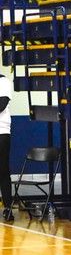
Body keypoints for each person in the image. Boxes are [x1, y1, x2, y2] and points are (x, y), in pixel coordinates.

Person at [0, 71, 12, 221]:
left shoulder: (4, 82)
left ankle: (8, 206)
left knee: (3, 169)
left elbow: (1, 105)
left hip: (1, 132)